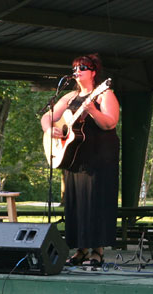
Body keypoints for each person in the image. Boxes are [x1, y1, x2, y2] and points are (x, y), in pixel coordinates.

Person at [40, 53, 119, 267]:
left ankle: (97, 252)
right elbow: (47, 117)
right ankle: (80, 250)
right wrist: (50, 130)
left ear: (93, 72)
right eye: (75, 67)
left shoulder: (104, 94)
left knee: (96, 203)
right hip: (75, 160)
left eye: (83, 67)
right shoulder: (69, 97)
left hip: (99, 158)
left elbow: (110, 123)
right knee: (76, 205)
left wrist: (92, 111)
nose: (77, 71)